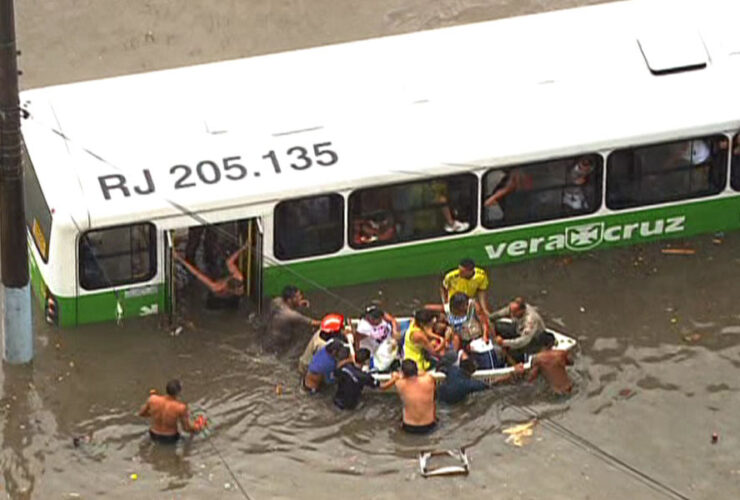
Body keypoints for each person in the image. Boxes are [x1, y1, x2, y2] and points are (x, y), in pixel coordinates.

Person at [173, 242, 248, 308]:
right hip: (217, 299)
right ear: (231, 289)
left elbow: (229, 262)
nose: (242, 291)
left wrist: (244, 247)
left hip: (230, 298)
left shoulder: (238, 277)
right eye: (240, 290)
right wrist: (180, 259)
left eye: (241, 288)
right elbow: (196, 273)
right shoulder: (216, 287)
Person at [138, 379, 204, 443]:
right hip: (170, 438)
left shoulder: (152, 399)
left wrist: (155, 413)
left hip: (153, 434)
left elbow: (141, 414)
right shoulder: (181, 407)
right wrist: (198, 426)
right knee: (191, 440)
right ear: (179, 392)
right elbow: (186, 428)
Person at [383, 359, 437, 434]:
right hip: (429, 425)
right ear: (416, 370)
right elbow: (424, 373)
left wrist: (396, 375)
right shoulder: (429, 380)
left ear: (403, 373)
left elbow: (388, 383)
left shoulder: (400, 384)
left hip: (409, 426)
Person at [333, 346, 395, 410]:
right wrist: (395, 378)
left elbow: (337, 372)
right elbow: (383, 386)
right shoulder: (365, 377)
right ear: (367, 361)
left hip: (337, 399)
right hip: (350, 405)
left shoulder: (344, 367)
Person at [266, 286, 321, 352]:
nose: (301, 297)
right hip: (279, 344)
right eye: (297, 297)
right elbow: (313, 323)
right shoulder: (292, 315)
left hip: (269, 335)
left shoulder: (276, 301)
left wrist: (297, 303)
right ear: (289, 300)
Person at [490, 297, 546, 361]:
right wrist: (489, 318)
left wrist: (503, 343)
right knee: (498, 326)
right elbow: (501, 313)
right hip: (519, 329)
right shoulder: (514, 309)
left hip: (532, 339)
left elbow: (523, 341)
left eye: (514, 313)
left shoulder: (530, 320)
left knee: (513, 353)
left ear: (521, 311)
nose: (511, 314)